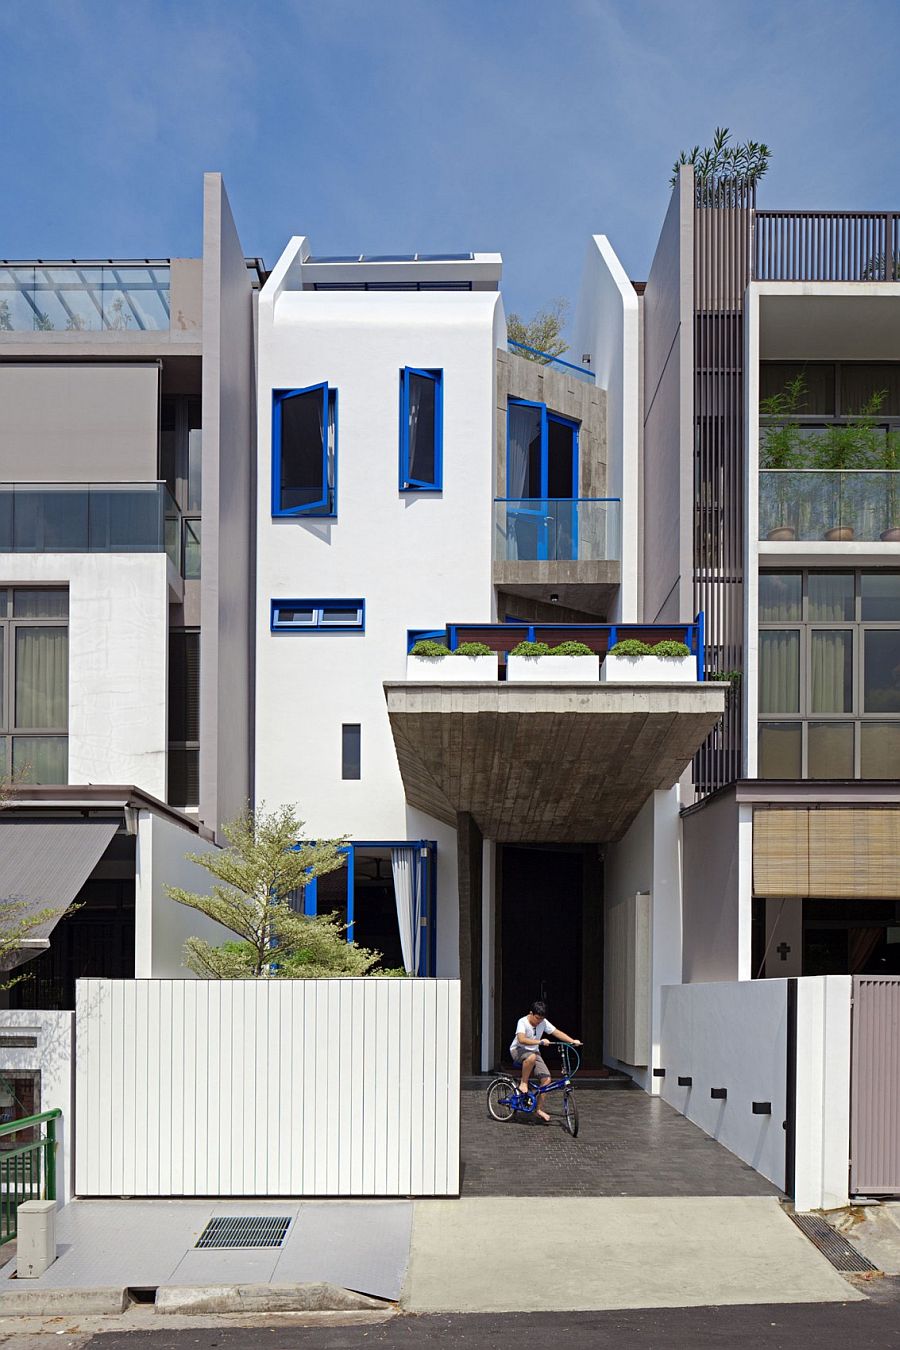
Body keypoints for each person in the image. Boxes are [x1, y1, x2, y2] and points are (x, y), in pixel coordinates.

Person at [510, 1000, 581, 1123]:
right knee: (531, 1057)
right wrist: (540, 1042)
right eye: (537, 1018)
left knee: (547, 1079)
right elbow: (521, 1039)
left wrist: (572, 1041)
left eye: (541, 1019)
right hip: (518, 1050)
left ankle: (538, 1109)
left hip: (534, 1052)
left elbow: (556, 1032)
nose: (539, 1021)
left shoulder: (543, 1022)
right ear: (531, 1013)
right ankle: (523, 1083)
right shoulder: (522, 1022)